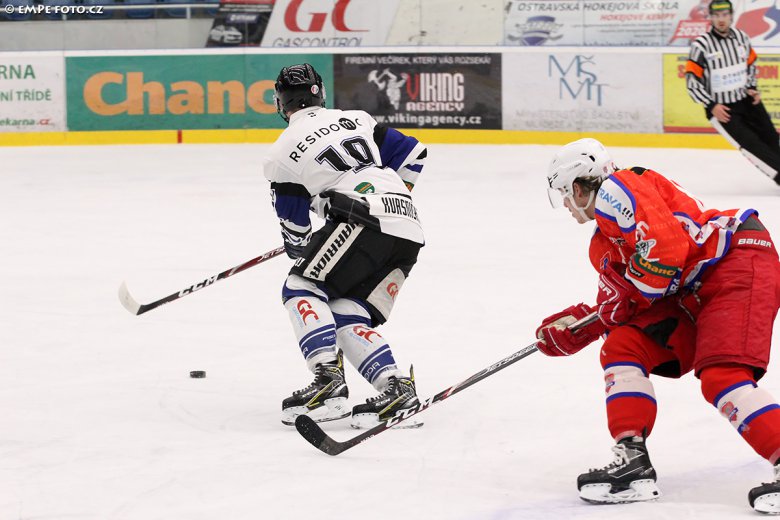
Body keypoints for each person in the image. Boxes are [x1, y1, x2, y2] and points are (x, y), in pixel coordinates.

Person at [536, 138, 780, 513]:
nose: (566, 205)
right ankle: (632, 461)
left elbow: (666, 253)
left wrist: (625, 297)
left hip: (735, 261)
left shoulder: (618, 189)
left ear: (580, 186)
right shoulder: (603, 242)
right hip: (692, 289)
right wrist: (579, 326)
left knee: (723, 376)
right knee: (622, 345)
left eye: (566, 194)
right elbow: (619, 305)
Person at [262, 63, 428, 430]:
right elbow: (414, 153)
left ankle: (327, 383)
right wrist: (388, 197)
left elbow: (297, 234)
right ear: (320, 93)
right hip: (408, 227)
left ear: (280, 103)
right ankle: (396, 389)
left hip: (362, 220)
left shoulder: (280, 153)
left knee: (300, 286)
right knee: (345, 310)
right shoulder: (356, 119)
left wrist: (311, 236)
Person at [686, 0, 780, 186]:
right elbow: (692, 82)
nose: (721, 19)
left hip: (747, 100)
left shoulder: (741, 37)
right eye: (716, 15)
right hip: (723, 110)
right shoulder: (701, 45)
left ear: (731, 16)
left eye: (725, 15)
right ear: (710, 18)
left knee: (772, 138)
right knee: (753, 146)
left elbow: (750, 64)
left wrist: (752, 87)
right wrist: (711, 105)